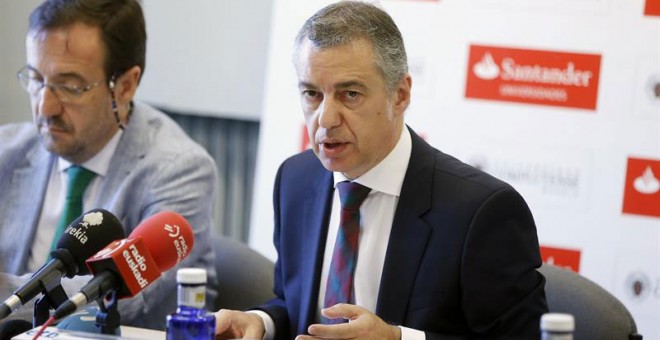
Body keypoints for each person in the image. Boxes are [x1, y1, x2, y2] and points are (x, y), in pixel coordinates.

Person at [215, 1, 548, 339]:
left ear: (400, 95)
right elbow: (296, 304)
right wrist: (262, 321)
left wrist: (398, 338)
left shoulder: (480, 211)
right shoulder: (295, 180)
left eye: (350, 94)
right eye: (312, 94)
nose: (326, 120)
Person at [0, 0, 218, 331]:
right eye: (36, 78)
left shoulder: (179, 169)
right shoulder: (8, 150)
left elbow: (121, 293)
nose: (44, 107)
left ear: (126, 85)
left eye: (70, 85)